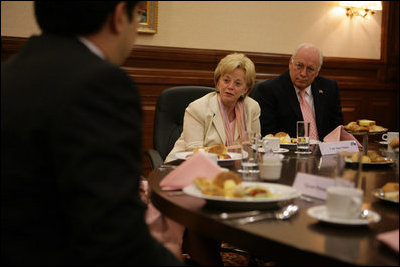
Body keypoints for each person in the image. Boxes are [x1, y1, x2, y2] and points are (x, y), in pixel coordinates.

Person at [1, 1, 183, 265]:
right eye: (138, 15)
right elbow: (111, 232)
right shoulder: (100, 83)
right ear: (119, 16)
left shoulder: (10, 72)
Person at [165, 53, 261, 163]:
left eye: (238, 83)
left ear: (246, 89)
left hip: (234, 169)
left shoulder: (252, 108)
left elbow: (254, 147)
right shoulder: (197, 108)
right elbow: (194, 152)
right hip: (184, 167)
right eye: (226, 80)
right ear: (218, 81)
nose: (230, 87)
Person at [252, 43, 344, 141]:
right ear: (290, 64)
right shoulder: (268, 90)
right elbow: (268, 135)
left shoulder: (329, 88)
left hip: (324, 153)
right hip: (286, 154)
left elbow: (337, 129)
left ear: (317, 72)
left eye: (310, 69)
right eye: (299, 66)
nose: (303, 73)